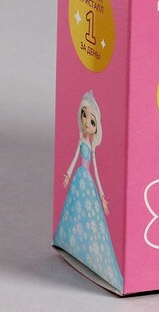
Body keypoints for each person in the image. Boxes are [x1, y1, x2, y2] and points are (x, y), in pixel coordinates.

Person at [53, 91, 123, 291]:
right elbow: (75, 157)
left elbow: (97, 171)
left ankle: (88, 251)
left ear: (96, 125)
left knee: (90, 216)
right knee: (75, 210)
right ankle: (72, 243)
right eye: (84, 116)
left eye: (91, 121)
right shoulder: (82, 139)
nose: (85, 122)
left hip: (88, 181)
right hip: (79, 178)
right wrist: (68, 174)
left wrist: (102, 196)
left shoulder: (91, 145)